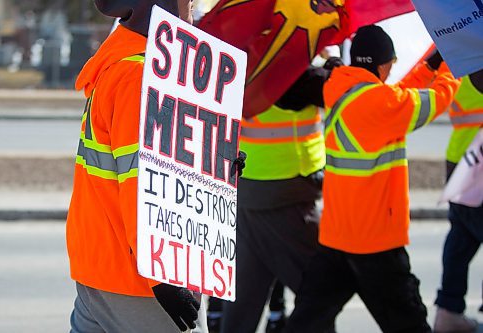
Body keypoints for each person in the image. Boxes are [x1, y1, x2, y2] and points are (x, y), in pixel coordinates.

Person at [66, 1, 245, 332]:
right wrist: (160, 278)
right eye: (190, 2)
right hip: (138, 281)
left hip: (103, 264)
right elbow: (141, 184)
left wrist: (213, 167)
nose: (195, 11)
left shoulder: (125, 64)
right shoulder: (139, 75)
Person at [283, 25, 460, 333]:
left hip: (337, 239)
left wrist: (430, 65)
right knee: (409, 326)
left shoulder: (340, 87)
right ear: (381, 66)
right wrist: (453, 66)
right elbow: (437, 99)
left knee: (305, 324)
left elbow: (397, 94)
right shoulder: (383, 105)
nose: (392, 69)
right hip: (377, 244)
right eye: (391, 64)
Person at [216, 57, 342, 333]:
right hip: (286, 190)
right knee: (323, 292)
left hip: (250, 186)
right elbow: (321, 88)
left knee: (243, 304)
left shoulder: (243, 58)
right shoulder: (291, 66)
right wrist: (334, 70)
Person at [433, 68, 483, 333]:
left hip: (459, 158)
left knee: (462, 237)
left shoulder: (457, 56)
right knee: (463, 236)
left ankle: (448, 312)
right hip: (478, 162)